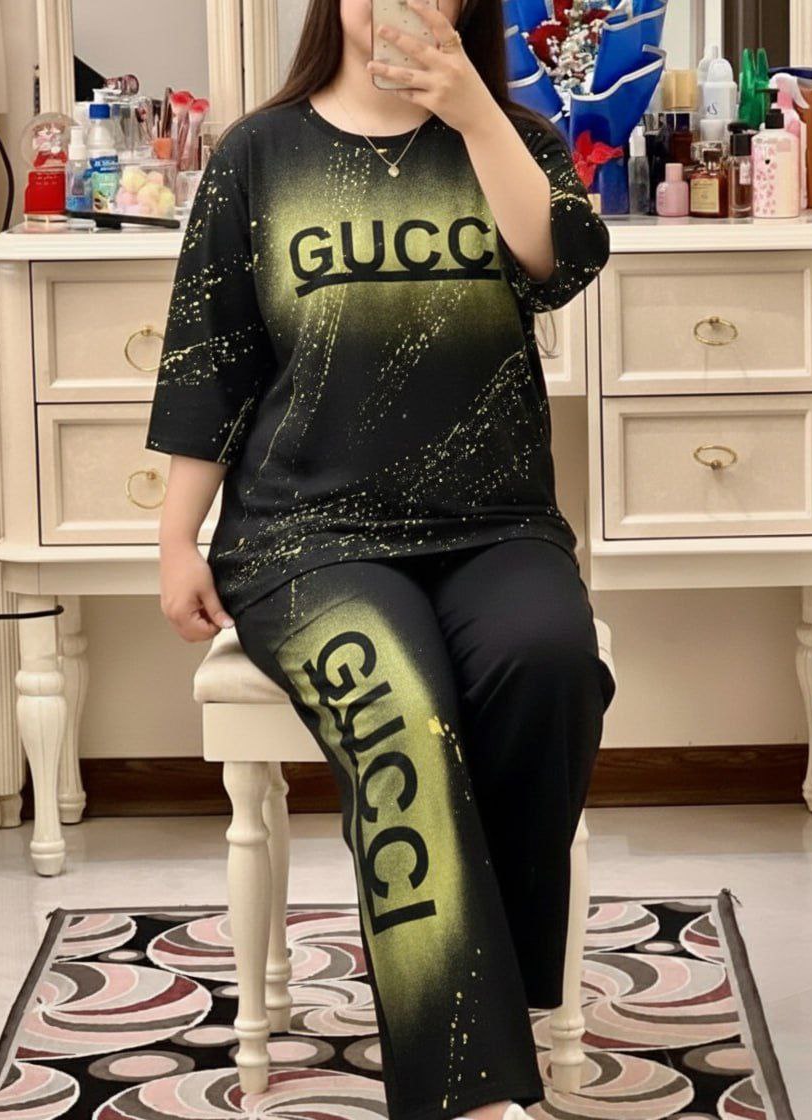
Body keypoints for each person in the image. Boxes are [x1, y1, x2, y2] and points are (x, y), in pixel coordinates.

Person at [144, 0, 616, 1116]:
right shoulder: (260, 154)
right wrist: (174, 537)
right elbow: (211, 357)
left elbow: (562, 262)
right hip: (305, 535)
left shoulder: (513, 139)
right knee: (400, 708)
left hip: (494, 521)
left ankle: (484, 983)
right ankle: (472, 1087)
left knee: (550, 664)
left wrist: (476, 116)